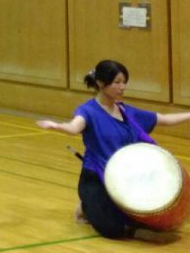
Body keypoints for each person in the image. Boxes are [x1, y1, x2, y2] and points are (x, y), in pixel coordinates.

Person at [36, 59, 190, 241]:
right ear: (101, 83)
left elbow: (163, 119)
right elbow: (74, 127)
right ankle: (119, 224)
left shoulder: (126, 111)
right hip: (96, 178)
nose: (122, 87)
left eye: (124, 82)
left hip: (127, 179)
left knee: (150, 214)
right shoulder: (88, 111)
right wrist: (58, 126)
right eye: (117, 82)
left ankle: (94, 210)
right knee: (109, 226)